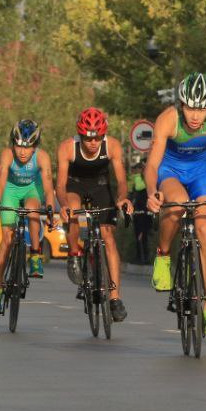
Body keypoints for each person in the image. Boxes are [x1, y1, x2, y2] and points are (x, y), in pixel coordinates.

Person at [145, 72, 206, 337]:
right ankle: (163, 255)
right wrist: (152, 192)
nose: (196, 116)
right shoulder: (168, 119)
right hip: (170, 171)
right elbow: (151, 165)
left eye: (202, 109)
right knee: (176, 204)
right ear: (181, 104)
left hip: (199, 173)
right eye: (190, 108)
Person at [55, 107, 132, 323]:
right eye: (87, 138)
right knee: (72, 210)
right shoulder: (67, 147)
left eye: (97, 138)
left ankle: (115, 298)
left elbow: (122, 181)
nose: (92, 143)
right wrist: (63, 204)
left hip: (100, 186)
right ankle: (74, 254)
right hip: (75, 185)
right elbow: (60, 185)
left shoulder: (112, 145)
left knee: (108, 238)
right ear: (80, 135)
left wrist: (122, 199)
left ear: (103, 135)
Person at [0, 119, 56, 315]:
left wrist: (50, 210)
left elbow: (49, 188)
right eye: (18, 146)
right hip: (11, 190)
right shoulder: (7, 155)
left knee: (33, 209)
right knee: (7, 239)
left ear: (35, 146)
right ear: (13, 144)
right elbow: (0, 183)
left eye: (27, 147)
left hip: (33, 189)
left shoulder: (42, 157)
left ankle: (35, 254)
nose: (22, 152)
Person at [129, 159, 152, 264]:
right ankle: (140, 257)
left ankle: (145, 257)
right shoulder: (137, 179)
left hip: (146, 211)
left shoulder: (149, 179)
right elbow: (135, 190)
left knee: (144, 235)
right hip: (138, 211)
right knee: (138, 235)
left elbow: (140, 188)